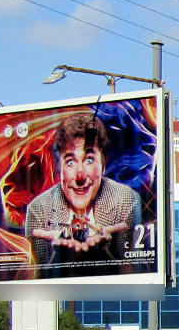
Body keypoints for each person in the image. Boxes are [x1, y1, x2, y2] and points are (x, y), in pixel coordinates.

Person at [25, 112, 142, 277]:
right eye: (70, 162)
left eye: (89, 160)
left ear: (103, 164)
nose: (80, 175)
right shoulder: (38, 210)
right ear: (59, 168)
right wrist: (59, 260)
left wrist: (102, 257)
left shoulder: (126, 201)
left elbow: (135, 276)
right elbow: (35, 281)